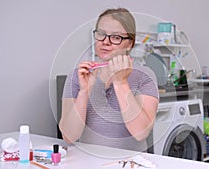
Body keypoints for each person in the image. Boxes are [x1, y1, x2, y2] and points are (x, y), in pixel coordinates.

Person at [59, 8, 159, 152]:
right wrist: (84, 92)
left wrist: (121, 83)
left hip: (131, 163)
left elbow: (141, 133)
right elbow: (68, 136)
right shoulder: (78, 76)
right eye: (101, 34)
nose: (105, 42)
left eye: (116, 37)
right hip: (87, 162)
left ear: (130, 43)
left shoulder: (145, 76)